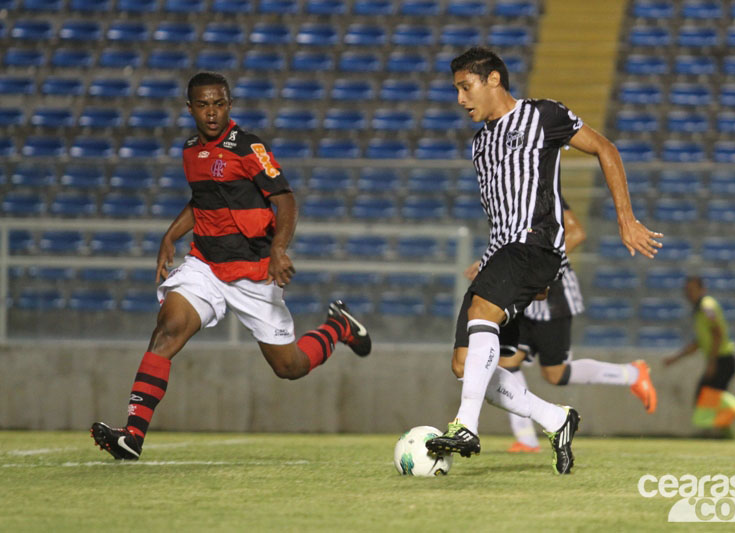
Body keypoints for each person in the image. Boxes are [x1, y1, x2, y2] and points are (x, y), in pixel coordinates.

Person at [91, 72, 371, 460]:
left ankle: (339, 327)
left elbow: (285, 200)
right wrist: (170, 236)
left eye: (219, 104)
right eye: (203, 105)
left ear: (229, 105)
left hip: (255, 271)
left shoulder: (248, 147)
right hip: (205, 264)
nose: (211, 113)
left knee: (289, 367)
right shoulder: (190, 150)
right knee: (168, 329)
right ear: (189, 108)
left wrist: (278, 249)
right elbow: (202, 200)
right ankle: (133, 435)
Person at [425, 47, 663, 475]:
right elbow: (502, 213)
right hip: (504, 253)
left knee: (483, 317)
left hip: (534, 245)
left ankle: (465, 427)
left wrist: (626, 220)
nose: (460, 99)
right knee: (465, 365)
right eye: (457, 90)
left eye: (466, 87)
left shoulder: (543, 115)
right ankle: (556, 419)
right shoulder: (480, 145)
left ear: (493, 79)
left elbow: (606, 149)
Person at [494, 203, 657, 453]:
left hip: (553, 298)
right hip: (525, 295)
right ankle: (526, 440)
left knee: (555, 374)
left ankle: (633, 374)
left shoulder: (544, 192)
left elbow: (577, 233)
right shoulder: (510, 194)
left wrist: (537, 261)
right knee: (506, 363)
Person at [664, 277, 735, 438]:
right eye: (687, 291)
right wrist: (676, 358)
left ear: (702, 290)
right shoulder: (699, 310)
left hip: (723, 359)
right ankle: (730, 436)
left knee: (706, 397)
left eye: (692, 290)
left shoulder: (707, 306)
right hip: (720, 359)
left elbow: (717, 334)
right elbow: (699, 342)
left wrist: (712, 362)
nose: (689, 294)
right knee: (711, 400)